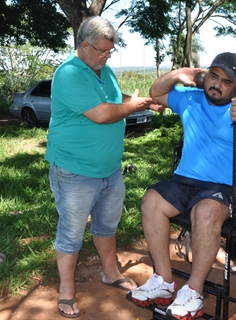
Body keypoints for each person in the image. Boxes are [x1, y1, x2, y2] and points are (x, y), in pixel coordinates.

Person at [127, 52, 236, 320]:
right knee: (152, 199)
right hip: (188, 181)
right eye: (213, 77)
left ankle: (193, 291)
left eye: (226, 81)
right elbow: (156, 93)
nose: (217, 84)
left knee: (206, 211)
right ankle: (164, 281)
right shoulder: (191, 97)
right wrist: (179, 75)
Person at [45, 16, 161, 318]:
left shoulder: (102, 69)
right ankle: (66, 290)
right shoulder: (69, 73)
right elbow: (101, 113)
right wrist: (131, 107)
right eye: (101, 51)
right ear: (83, 45)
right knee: (71, 233)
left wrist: (143, 102)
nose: (106, 57)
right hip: (74, 170)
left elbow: (114, 99)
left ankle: (110, 273)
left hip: (109, 169)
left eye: (110, 52)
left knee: (107, 227)